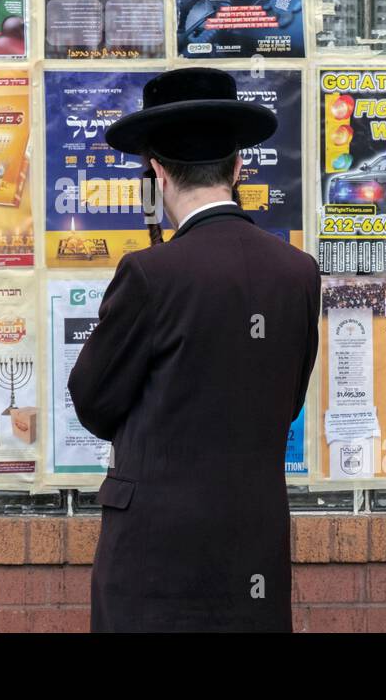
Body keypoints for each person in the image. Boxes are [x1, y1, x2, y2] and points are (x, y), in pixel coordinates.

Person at [68, 67, 321, 633]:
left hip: (153, 556)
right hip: (253, 547)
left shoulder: (148, 273)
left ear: (158, 172)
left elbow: (93, 401)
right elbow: (286, 400)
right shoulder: (298, 273)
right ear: (237, 167)